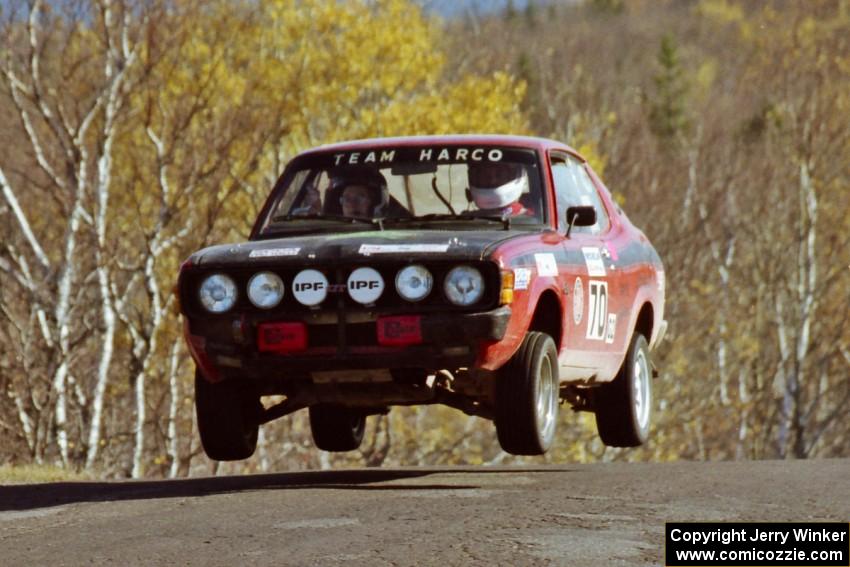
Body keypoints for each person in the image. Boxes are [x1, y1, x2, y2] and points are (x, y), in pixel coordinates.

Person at [467, 161, 532, 217]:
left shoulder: (530, 217)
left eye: (499, 174)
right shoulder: (467, 219)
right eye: (485, 175)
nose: (492, 180)